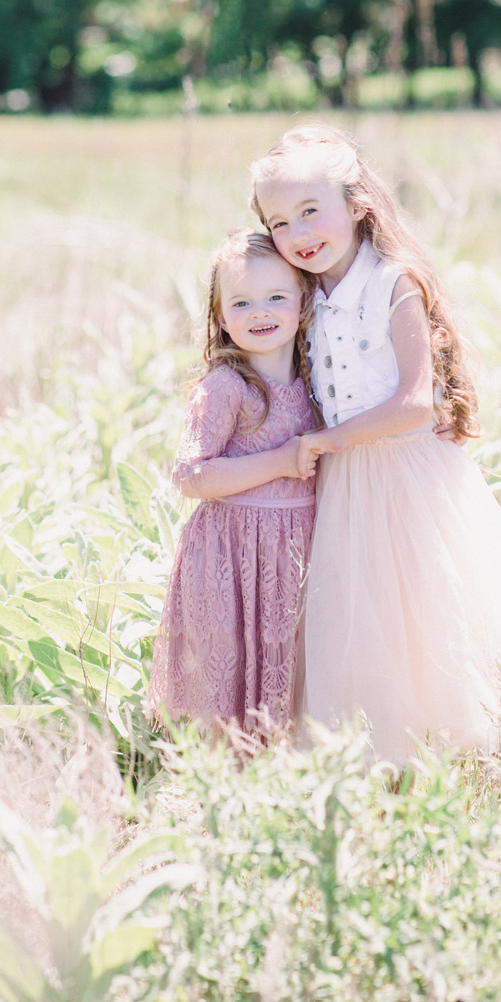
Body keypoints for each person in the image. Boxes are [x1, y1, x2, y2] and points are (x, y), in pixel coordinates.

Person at [250, 125, 501, 765]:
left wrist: (329, 438)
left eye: (311, 211)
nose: (298, 234)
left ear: (357, 204)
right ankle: (375, 748)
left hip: (408, 474)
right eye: (280, 223)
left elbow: (414, 403)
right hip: (347, 481)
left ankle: (448, 739)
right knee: (357, 613)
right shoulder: (310, 296)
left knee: (426, 610)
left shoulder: (395, 284)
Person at [148, 230, 317, 740]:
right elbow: (190, 475)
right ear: (221, 318)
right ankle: (230, 799)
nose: (259, 312)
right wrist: (281, 461)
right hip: (232, 558)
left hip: (293, 555)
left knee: (289, 682)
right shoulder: (226, 387)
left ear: (303, 302)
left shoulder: (314, 381)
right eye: (241, 302)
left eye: (275, 298)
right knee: (234, 692)